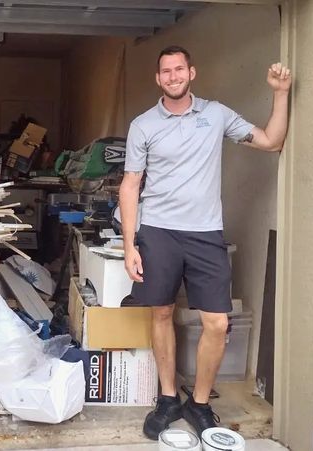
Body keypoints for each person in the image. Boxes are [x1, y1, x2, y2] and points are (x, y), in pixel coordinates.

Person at [119, 45, 291, 440]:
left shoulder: (215, 115)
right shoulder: (143, 124)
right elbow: (130, 185)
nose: (173, 76)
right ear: (158, 78)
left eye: (179, 69)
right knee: (161, 313)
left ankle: (198, 403)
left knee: (217, 322)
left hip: (205, 232)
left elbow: (271, 141)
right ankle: (166, 398)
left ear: (191, 73)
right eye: (166, 71)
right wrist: (130, 245)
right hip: (158, 231)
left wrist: (279, 93)